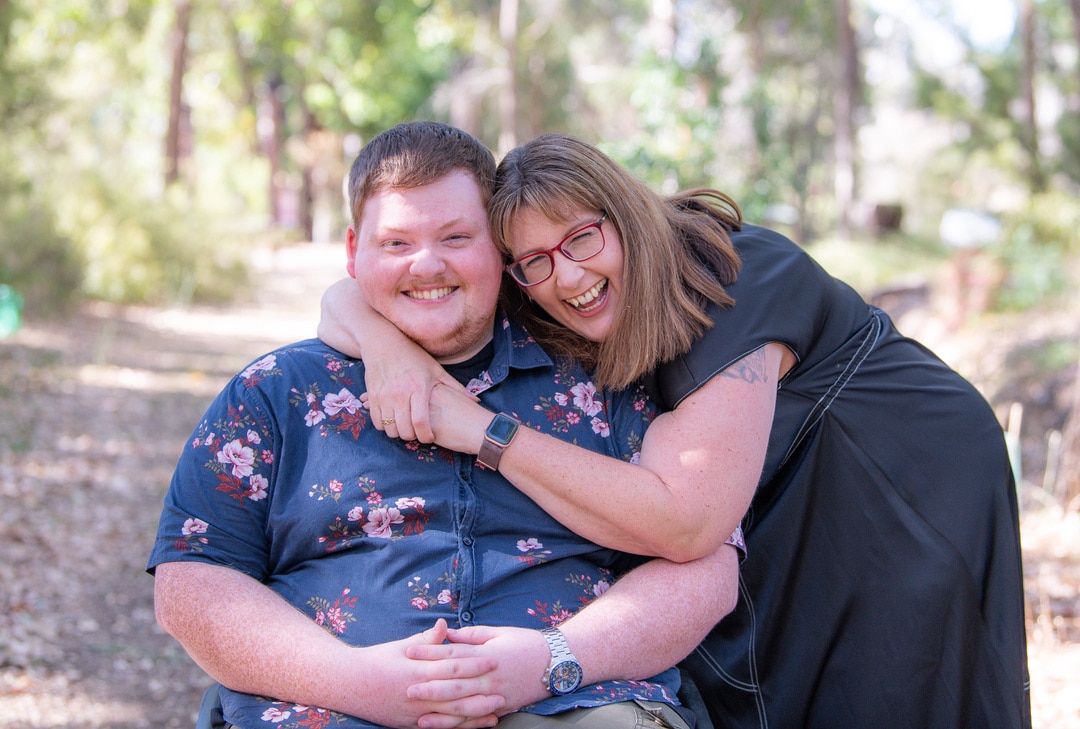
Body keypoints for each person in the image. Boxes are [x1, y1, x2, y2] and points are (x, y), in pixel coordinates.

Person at [320, 133, 1032, 728]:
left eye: (582, 238)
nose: (567, 278)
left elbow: (688, 520)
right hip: (774, 485)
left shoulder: (739, 277)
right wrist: (386, 349)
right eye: (536, 261)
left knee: (893, 683)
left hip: (899, 471)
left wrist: (482, 430)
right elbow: (350, 295)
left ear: (623, 216)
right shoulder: (551, 287)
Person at [148, 122, 741, 729]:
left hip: (573, 702)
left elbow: (706, 567)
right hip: (331, 709)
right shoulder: (277, 393)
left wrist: (553, 660)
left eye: (456, 237)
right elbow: (192, 583)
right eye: (397, 244)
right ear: (354, 253)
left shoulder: (602, 377)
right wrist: (357, 683)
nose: (426, 264)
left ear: (500, 250)